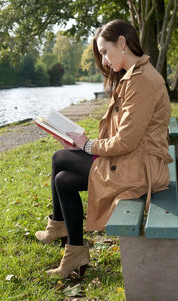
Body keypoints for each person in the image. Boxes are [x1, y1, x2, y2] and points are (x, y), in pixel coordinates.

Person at [35, 19, 172, 278]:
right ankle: (74, 250)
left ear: (122, 43)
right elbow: (125, 135)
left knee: (59, 158)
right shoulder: (132, 77)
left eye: (105, 52)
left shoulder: (141, 81)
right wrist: (86, 144)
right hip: (132, 159)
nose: (104, 60)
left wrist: (87, 145)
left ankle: (59, 227)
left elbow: (126, 141)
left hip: (142, 168)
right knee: (63, 180)